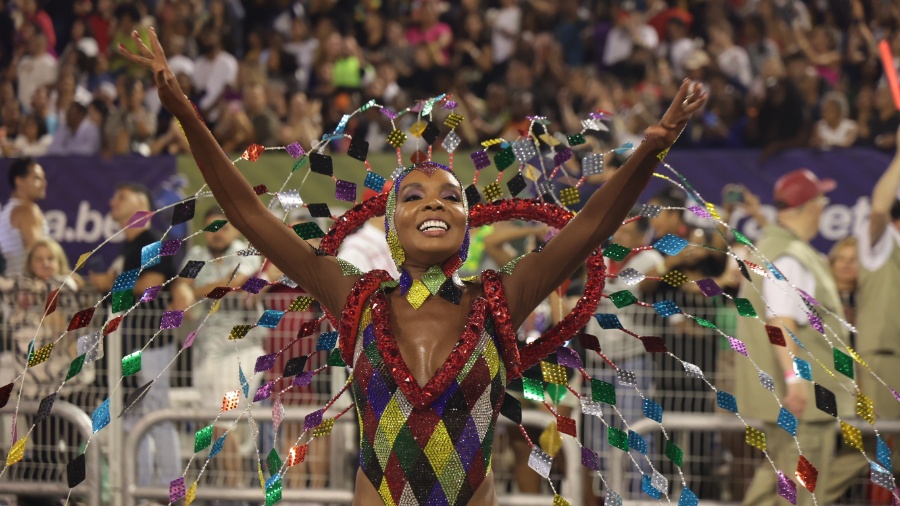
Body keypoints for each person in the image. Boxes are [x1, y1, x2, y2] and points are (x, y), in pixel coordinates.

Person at [119, 28, 705, 505]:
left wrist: (654, 144)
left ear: (467, 223)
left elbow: (589, 228)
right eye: (415, 195)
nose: (433, 202)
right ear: (392, 225)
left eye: (450, 196)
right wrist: (183, 112)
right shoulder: (354, 295)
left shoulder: (500, 295)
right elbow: (248, 212)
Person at [735, 169, 855, 506]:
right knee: (801, 493)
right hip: (805, 401)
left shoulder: (774, 248)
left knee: (776, 487)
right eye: (821, 200)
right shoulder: (789, 255)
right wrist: (795, 380)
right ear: (811, 206)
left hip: (792, 398)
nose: (824, 207)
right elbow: (781, 322)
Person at [88, 182, 190, 487]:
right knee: (132, 417)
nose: (111, 201)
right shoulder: (128, 249)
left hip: (150, 343)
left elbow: (151, 285)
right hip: (125, 346)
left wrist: (110, 282)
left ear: (142, 204)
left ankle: (171, 487)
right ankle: (140, 489)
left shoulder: (154, 243)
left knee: (156, 414)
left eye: (121, 196)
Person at [824, 126, 900, 501]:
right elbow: (881, 206)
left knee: (884, 453)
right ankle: (813, 497)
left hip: (892, 361)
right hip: (884, 363)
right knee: (872, 450)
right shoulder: (882, 245)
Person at [178, 206, 263, 490]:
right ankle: (228, 488)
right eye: (211, 229)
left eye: (223, 227)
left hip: (241, 353)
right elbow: (181, 289)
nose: (217, 235)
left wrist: (199, 291)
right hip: (205, 355)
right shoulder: (195, 257)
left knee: (227, 420)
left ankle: (236, 490)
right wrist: (203, 289)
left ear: (235, 229)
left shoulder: (247, 253)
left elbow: (238, 285)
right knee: (214, 423)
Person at [0, 157, 48, 277]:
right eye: (37, 178)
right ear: (19, 181)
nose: (44, 183)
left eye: (43, 178)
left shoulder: (7, 211)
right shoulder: (28, 211)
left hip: (11, 289)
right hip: (28, 290)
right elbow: (40, 258)